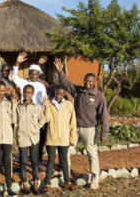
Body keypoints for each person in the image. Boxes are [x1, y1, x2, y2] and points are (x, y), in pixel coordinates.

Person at [54, 58, 109, 189]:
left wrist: (104, 132)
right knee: (66, 150)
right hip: (75, 128)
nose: (88, 83)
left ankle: (95, 178)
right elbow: (67, 84)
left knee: (92, 153)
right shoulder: (78, 91)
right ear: (84, 81)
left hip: (90, 129)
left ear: (94, 82)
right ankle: (66, 174)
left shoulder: (99, 96)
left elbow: (104, 115)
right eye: (86, 80)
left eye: (90, 81)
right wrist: (61, 72)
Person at [43, 85, 76, 192]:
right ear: (55, 92)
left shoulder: (68, 105)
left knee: (64, 160)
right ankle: (47, 183)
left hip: (64, 138)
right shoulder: (50, 104)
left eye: (62, 93)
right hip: (52, 137)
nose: (59, 95)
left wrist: (72, 137)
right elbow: (46, 119)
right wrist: (46, 107)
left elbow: (72, 122)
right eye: (57, 93)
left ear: (65, 93)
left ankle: (67, 182)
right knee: (51, 161)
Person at [13, 84, 45, 194]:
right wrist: (13, 106)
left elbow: (42, 120)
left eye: (29, 92)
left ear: (32, 94)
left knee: (34, 161)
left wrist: (36, 128)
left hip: (34, 137)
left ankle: (35, 183)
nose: (27, 94)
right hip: (22, 137)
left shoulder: (37, 107)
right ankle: (25, 183)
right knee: (23, 161)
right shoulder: (18, 106)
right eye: (25, 92)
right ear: (22, 92)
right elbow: (14, 119)